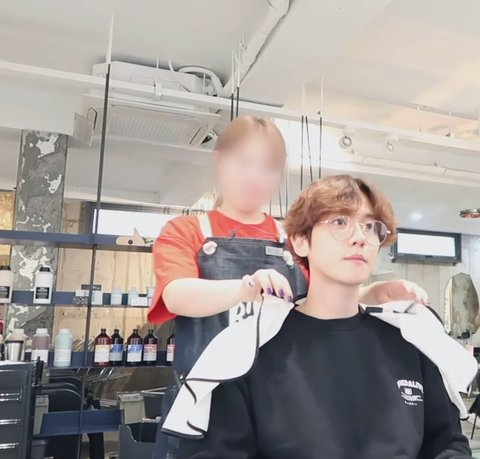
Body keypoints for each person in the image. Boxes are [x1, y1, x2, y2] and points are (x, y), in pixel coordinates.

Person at [148, 116, 428, 458]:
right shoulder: (186, 230)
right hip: (202, 402)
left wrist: (374, 293)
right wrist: (245, 288)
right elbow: (176, 295)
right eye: (244, 163)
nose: (255, 176)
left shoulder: (289, 239)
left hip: (276, 396)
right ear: (219, 162)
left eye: (268, 167)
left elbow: (316, 299)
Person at [176, 174, 472, 459]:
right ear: (300, 241)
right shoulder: (245, 352)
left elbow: (447, 445)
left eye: (371, 227)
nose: (360, 238)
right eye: (340, 222)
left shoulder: (412, 341)